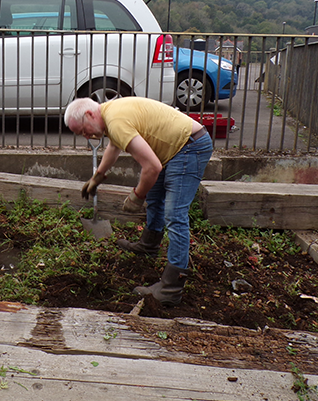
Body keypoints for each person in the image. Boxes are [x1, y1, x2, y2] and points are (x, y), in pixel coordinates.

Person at [64, 96, 213, 306]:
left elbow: (152, 167)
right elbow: (114, 147)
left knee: (175, 215)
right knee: (155, 197)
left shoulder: (115, 120)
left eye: (83, 130)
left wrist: (136, 196)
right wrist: (98, 176)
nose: (86, 135)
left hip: (189, 147)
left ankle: (171, 287)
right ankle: (149, 245)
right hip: (176, 148)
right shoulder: (110, 113)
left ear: (89, 114)